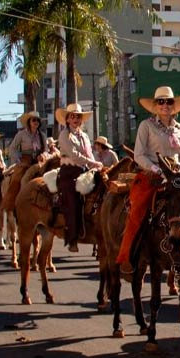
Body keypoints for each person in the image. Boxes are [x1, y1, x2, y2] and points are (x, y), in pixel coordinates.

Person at [117, 86, 180, 276]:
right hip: (152, 175)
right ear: (155, 106)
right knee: (138, 210)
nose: (165, 105)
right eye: (161, 102)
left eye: (169, 102)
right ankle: (128, 256)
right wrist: (158, 169)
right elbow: (139, 155)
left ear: (174, 105)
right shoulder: (146, 126)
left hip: (177, 178)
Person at [55, 103, 103, 253]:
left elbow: (89, 154)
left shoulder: (84, 136)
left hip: (85, 170)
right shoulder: (64, 135)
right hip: (69, 172)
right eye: (72, 116)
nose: (75, 119)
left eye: (78, 116)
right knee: (73, 202)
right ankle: (72, 238)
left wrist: (94, 165)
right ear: (67, 119)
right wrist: (92, 162)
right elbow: (74, 155)